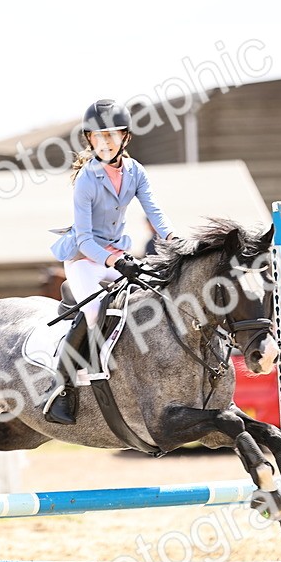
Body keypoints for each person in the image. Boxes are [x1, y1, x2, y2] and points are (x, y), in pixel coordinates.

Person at [43, 98, 178, 425]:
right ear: (90, 139)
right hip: (86, 259)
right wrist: (116, 263)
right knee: (94, 313)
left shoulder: (135, 172)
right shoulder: (86, 179)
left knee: (152, 301)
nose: (105, 142)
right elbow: (87, 239)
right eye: (98, 136)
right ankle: (60, 391)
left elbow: (153, 211)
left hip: (118, 254)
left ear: (125, 138)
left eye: (112, 135)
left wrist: (174, 241)